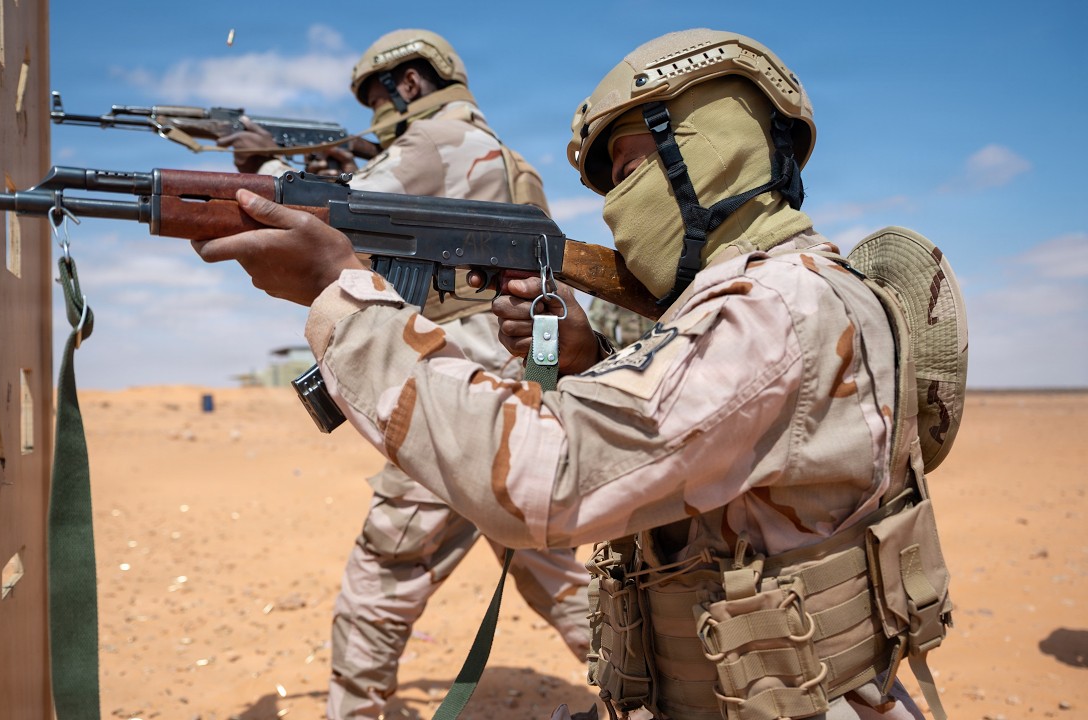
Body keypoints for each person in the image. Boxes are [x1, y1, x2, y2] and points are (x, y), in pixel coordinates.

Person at [194, 28, 962, 720]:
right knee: (564, 584)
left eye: (630, 168)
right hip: (777, 688)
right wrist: (587, 359)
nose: (613, 210)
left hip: (777, 695)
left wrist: (343, 296)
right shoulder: (799, 285)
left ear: (711, 150)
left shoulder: (768, 309)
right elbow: (704, 452)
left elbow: (548, 479)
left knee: (386, 574)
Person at [224, 29, 591, 720]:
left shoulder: (431, 144)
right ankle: (654, 693)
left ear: (411, 86)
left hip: (461, 400)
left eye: (378, 101)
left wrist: (268, 172)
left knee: (383, 575)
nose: (376, 119)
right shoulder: (511, 163)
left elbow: (325, 223)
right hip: (528, 397)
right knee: (560, 576)